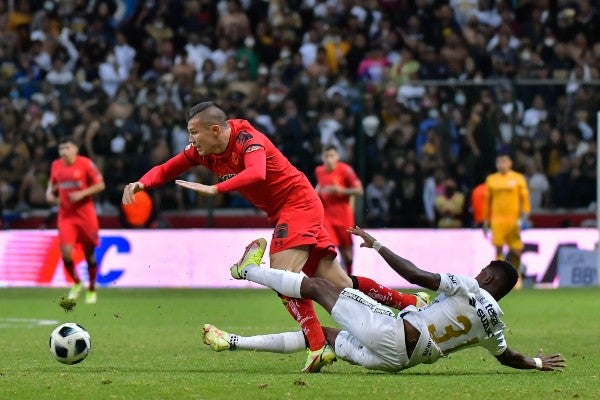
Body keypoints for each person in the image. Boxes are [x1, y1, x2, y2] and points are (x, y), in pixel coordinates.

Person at [121, 102, 429, 372]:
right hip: (293, 208)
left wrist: (216, 189)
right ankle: (412, 300)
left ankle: (318, 345)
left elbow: (257, 174)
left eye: (193, 132)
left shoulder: (248, 140)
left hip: (297, 204)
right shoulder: (203, 152)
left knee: (281, 274)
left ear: (215, 129)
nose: (190, 140)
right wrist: (141, 184)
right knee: (340, 284)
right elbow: (166, 169)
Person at [203, 227, 566, 374]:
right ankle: (231, 342)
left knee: (316, 286)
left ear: (487, 277)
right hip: (398, 361)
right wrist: (536, 362)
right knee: (323, 337)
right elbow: (508, 357)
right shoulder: (496, 324)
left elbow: (415, 276)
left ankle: (245, 270)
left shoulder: (469, 286)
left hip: (395, 335)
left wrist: (377, 245)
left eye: (483, 269)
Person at [46, 136, 105, 304]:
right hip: (66, 216)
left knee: (89, 255)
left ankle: (92, 289)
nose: (63, 151)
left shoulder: (86, 164)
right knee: (65, 253)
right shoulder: (56, 165)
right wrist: (49, 193)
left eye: (67, 148)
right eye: (61, 148)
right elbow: (53, 184)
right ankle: (77, 283)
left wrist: (82, 193)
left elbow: (101, 185)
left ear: (75, 149)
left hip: (86, 216)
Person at [483, 153, 531, 288]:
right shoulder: (492, 179)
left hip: (513, 221)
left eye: (504, 161)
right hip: (497, 220)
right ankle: (501, 279)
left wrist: (525, 217)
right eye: (499, 162)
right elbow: (487, 201)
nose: (501, 164)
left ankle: (517, 276)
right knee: (498, 250)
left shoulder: (518, 178)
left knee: (516, 250)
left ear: (510, 163)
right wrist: (486, 220)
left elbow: (525, 200)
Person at [314, 145, 363, 274]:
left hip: (344, 216)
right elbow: (319, 187)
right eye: (326, 156)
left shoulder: (346, 170)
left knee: (346, 250)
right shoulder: (319, 171)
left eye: (332, 156)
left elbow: (359, 190)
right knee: (327, 248)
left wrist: (340, 190)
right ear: (322, 157)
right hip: (327, 217)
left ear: (337, 157)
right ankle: (330, 278)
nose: (329, 159)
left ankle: (350, 276)